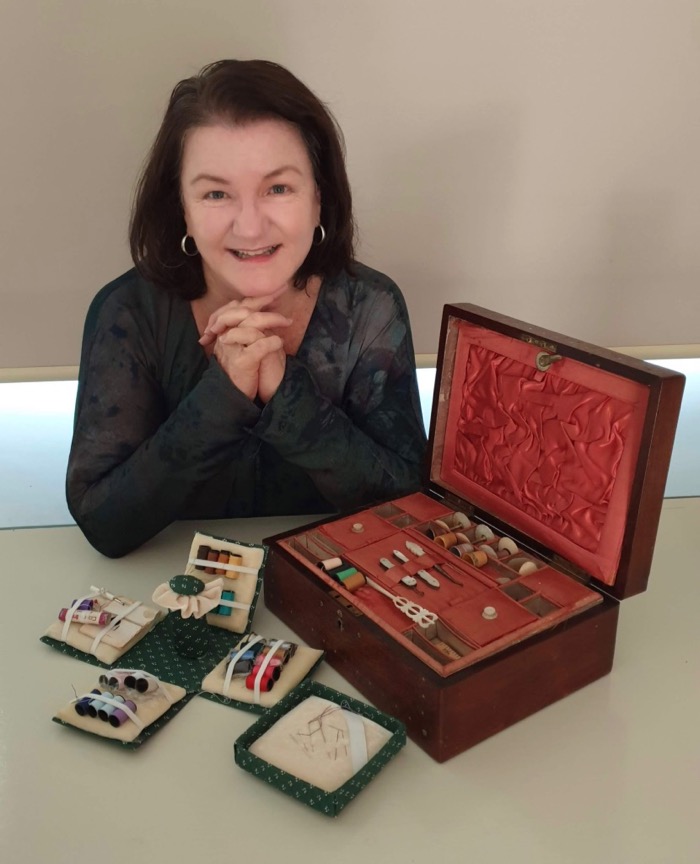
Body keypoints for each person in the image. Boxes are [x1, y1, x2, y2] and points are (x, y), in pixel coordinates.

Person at [66, 59, 427, 558]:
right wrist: (224, 394)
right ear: (183, 209)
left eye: (278, 188)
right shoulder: (128, 311)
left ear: (318, 198)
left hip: (335, 592)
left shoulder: (372, 306)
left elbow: (409, 505)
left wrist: (287, 396)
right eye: (216, 193)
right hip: (171, 601)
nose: (251, 228)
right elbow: (103, 521)